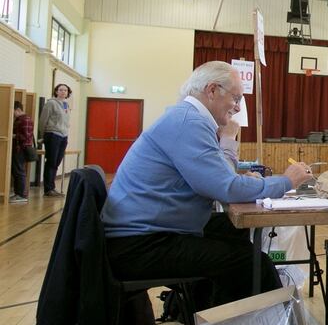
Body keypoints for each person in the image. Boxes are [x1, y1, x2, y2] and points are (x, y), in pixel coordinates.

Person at [102, 61, 313, 306]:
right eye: (235, 98)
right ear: (212, 90)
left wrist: (228, 146)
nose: (236, 107)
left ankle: (215, 318)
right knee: (253, 264)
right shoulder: (189, 123)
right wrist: (286, 181)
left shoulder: (186, 118)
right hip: (141, 245)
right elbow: (227, 188)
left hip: (147, 232)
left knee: (234, 231)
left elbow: (223, 177)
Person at [38, 83, 72, 197]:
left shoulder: (66, 105)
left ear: (68, 93)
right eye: (61, 90)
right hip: (53, 134)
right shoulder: (51, 103)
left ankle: (51, 187)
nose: (63, 92)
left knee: (56, 162)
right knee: (51, 162)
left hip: (63, 136)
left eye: (65, 90)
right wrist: (42, 136)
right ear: (56, 91)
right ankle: (48, 189)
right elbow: (43, 120)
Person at [11, 101, 34, 203]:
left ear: (18, 110)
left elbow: (26, 137)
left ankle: (21, 195)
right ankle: (18, 193)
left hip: (21, 149)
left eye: (13, 111)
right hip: (18, 148)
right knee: (16, 171)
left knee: (19, 171)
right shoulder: (19, 119)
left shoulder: (25, 120)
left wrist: (14, 136)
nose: (12, 114)